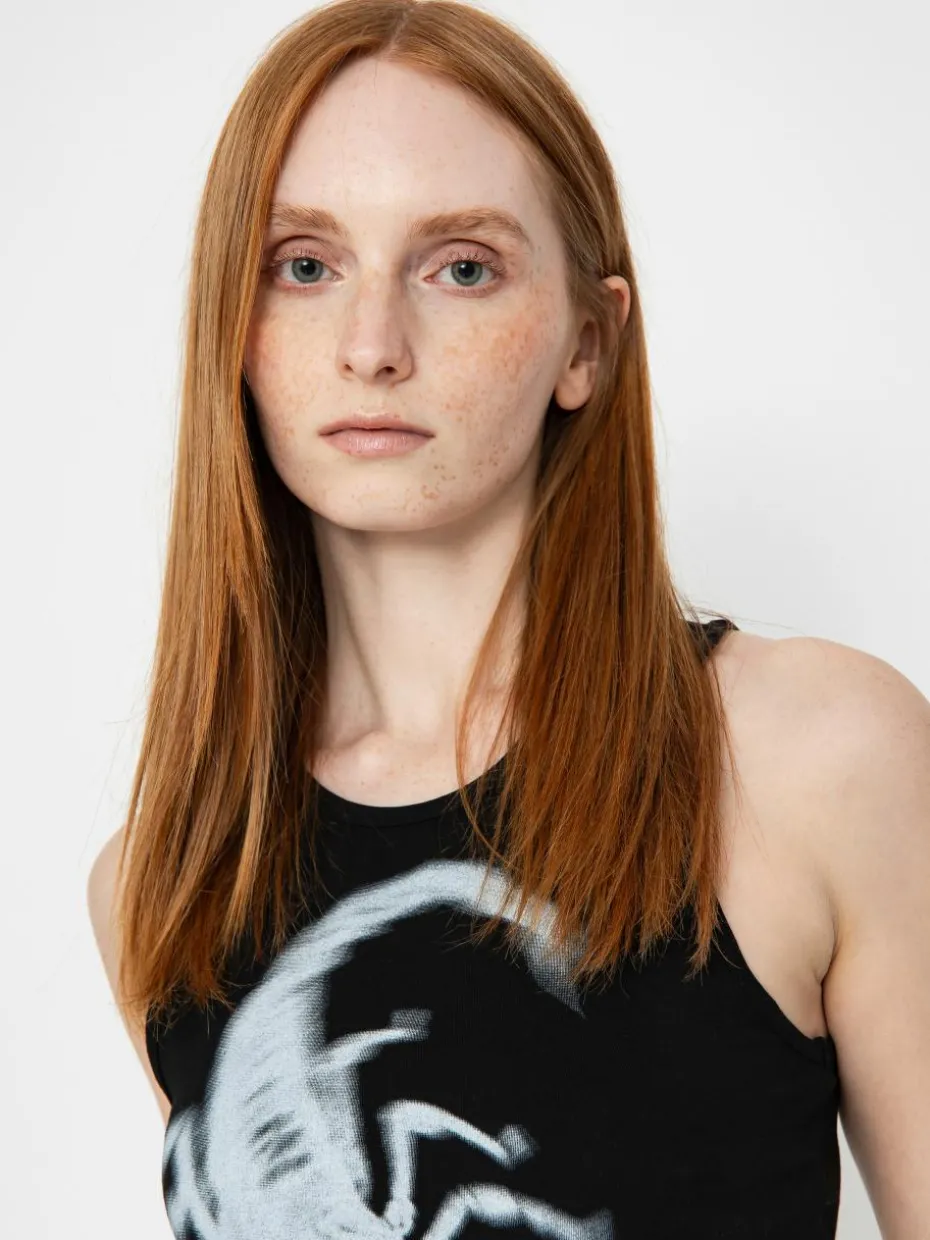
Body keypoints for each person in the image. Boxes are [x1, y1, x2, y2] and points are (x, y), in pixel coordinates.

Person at [87, 2, 930, 1236]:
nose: (373, 345)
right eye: (304, 265)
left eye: (463, 267)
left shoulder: (813, 758)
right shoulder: (164, 879)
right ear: (234, 327)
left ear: (587, 342)